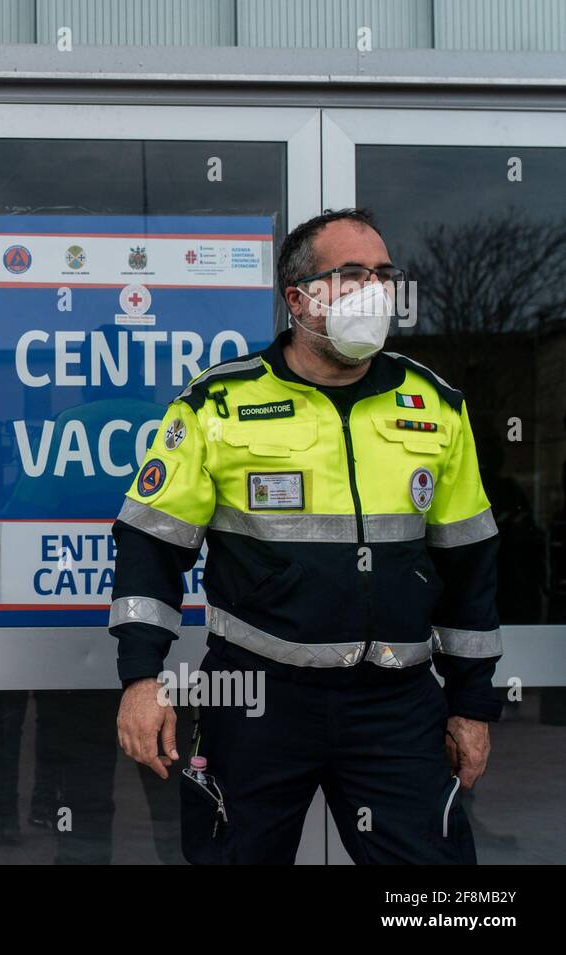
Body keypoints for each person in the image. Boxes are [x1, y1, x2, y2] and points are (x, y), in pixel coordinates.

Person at [110, 208, 502, 864]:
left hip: (397, 706)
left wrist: (472, 702)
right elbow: (151, 546)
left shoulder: (434, 405)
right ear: (298, 298)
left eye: (383, 274)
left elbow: (470, 566)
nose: (374, 290)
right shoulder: (217, 405)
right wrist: (140, 678)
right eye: (351, 274)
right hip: (255, 702)